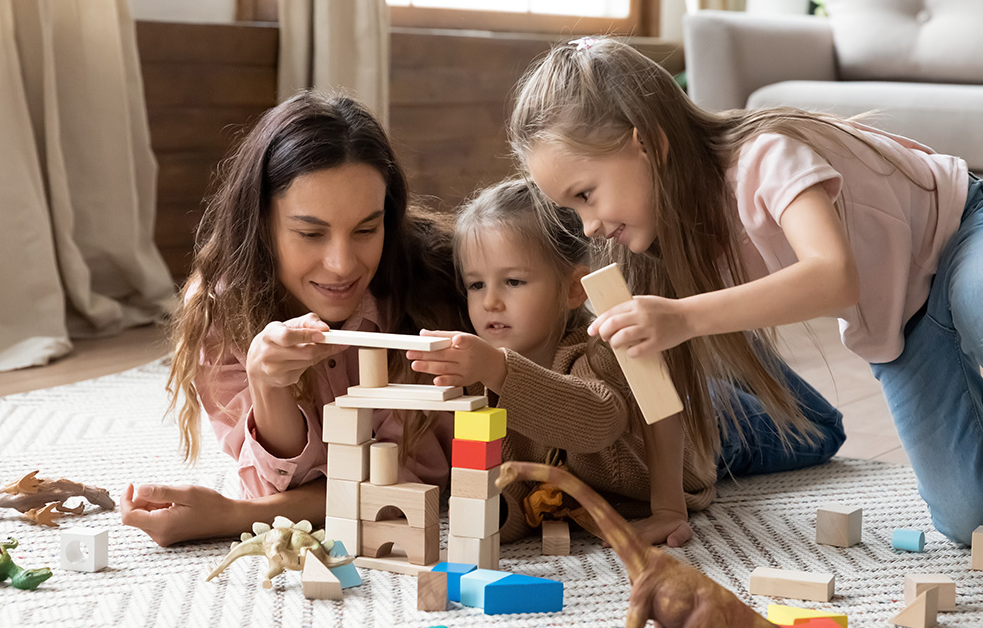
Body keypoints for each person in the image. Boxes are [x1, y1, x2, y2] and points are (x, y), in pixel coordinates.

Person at [508, 36, 982, 545]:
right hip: (904, 317)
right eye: (573, 209)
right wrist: (669, 507)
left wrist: (684, 316)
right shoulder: (654, 249)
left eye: (586, 195)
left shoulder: (766, 155)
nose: (589, 226)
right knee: (966, 521)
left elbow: (834, 276)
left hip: (960, 229)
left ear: (648, 144)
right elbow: (661, 384)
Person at [408, 178, 844, 547]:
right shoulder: (481, 377)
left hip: (704, 435)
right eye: (476, 284)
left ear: (575, 290)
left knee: (822, 431)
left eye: (514, 281)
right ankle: (701, 356)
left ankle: (725, 346)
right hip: (650, 404)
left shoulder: (599, 352)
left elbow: (596, 421)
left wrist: (499, 369)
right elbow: (516, 489)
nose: (491, 302)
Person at [120, 91, 464, 546]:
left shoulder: (432, 285)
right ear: (262, 222)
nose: (342, 264)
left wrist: (233, 516)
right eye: (310, 233)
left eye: (366, 229)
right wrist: (268, 386)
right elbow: (277, 485)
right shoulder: (223, 312)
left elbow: (405, 485)